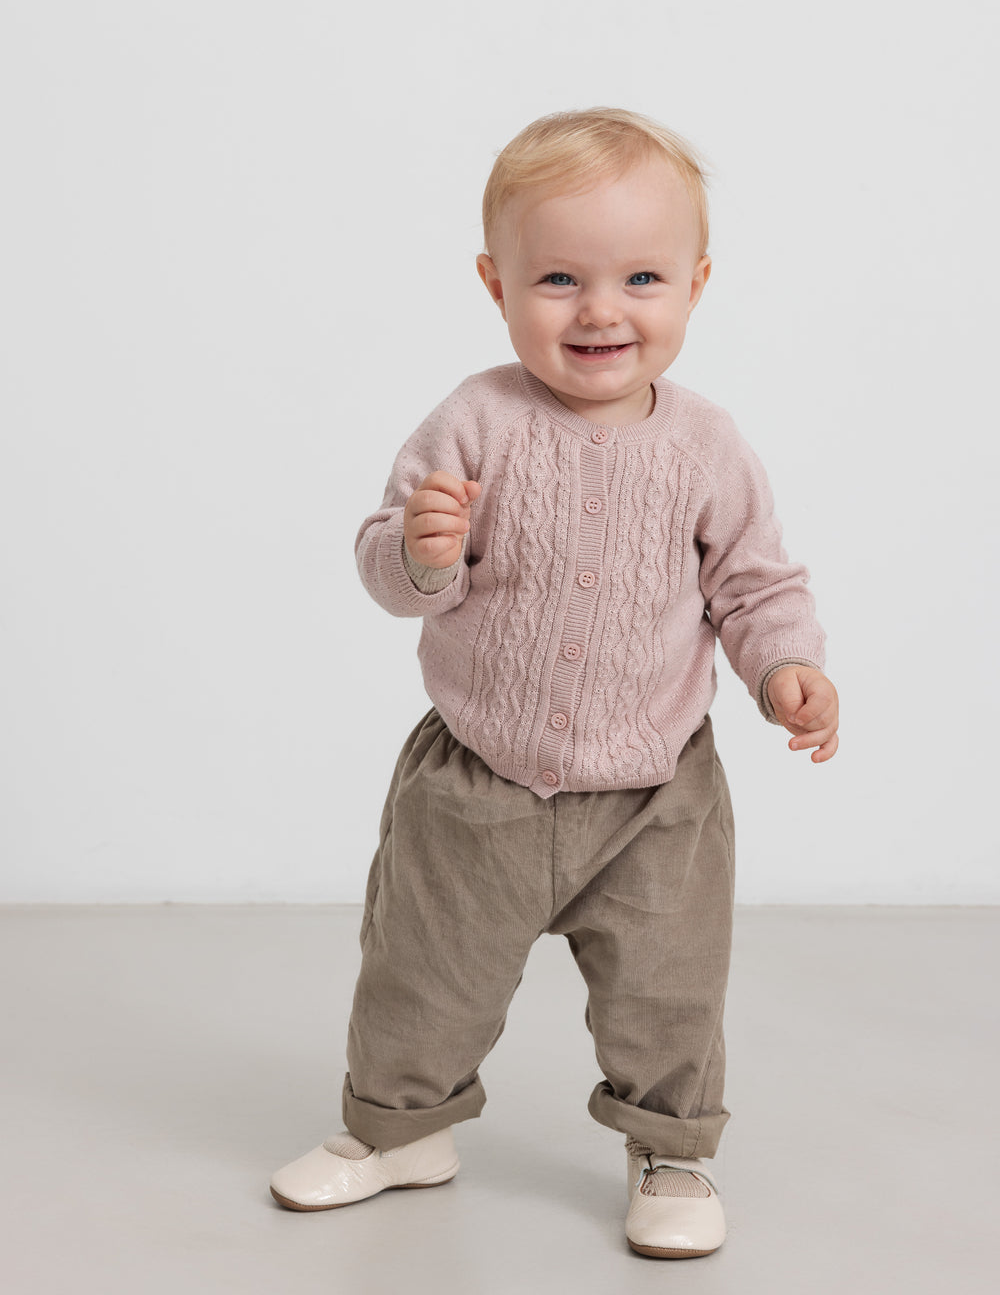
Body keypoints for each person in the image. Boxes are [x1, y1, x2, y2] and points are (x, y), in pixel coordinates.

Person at [269, 107, 839, 1258]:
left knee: (668, 988)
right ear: (496, 281)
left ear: (696, 282)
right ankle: (399, 1128)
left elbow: (753, 580)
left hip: (655, 794)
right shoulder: (472, 421)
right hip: (477, 778)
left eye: (640, 276)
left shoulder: (707, 445)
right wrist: (424, 550)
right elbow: (393, 574)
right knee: (420, 970)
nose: (599, 310)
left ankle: (670, 1148)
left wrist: (786, 664)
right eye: (559, 278)